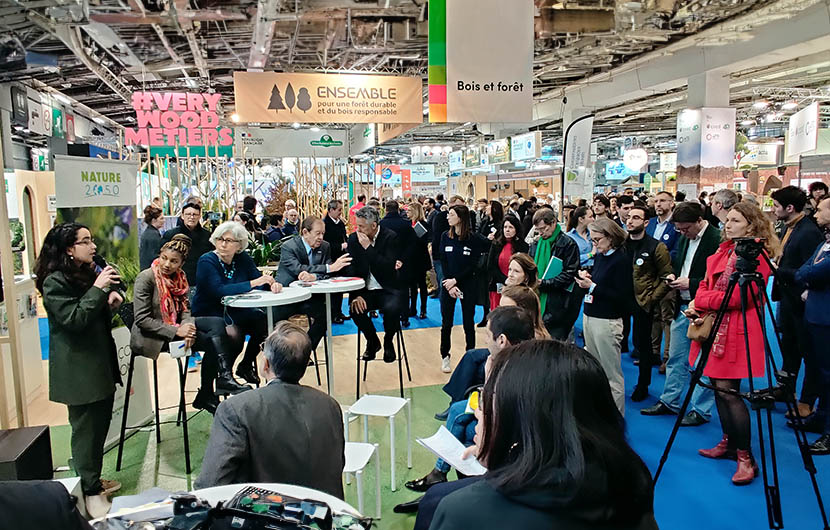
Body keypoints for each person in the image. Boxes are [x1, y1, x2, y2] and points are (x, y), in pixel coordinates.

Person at [428, 340, 658, 530]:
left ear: (521, 419)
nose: (478, 411)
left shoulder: (463, 513)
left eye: (488, 397)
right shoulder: (634, 481)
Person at [399, 306, 535, 516]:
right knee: (457, 416)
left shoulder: (511, 372)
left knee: (463, 440)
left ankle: (449, 479)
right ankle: (446, 476)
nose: (484, 341)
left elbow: (495, 416)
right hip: (512, 434)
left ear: (502, 340)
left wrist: (489, 379)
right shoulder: (528, 359)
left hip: (511, 440)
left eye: (487, 336)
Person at [35, 223, 125, 518]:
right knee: (86, 431)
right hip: (80, 370)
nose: (93, 246)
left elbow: (89, 314)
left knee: (97, 428)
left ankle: (92, 477)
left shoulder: (85, 273)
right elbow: (73, 319)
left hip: (98, 364)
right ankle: (90, 491)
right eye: (85, 241)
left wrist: (109, 300)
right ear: (69, 249)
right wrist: (98, 289)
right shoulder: (54, 282)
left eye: (92, 239)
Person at [195, 322, 345, 497]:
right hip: (325, 515)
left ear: (265, 364)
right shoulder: (330, 406)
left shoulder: (235, 410)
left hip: (267, 517)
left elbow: (210, 487)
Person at [691, 202, 779, 483]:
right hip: (714, 328)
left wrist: (702, 300)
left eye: (736, 221)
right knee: (718, 389)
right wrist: (704, 297)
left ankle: (745, 456)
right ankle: (729, 443)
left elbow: (740, 298)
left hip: (738, 330)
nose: (728, 225)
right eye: (727, 219)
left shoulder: (758, 258)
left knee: (730, 392)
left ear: (751, 226)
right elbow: (705, 283)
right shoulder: (721, 251)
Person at [131, 234, 249, 414]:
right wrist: (178, 331)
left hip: (176, 325)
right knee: (211, 341)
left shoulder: (180, 277)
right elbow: (142, 320)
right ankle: (208, 393)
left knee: (217, 323)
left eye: (173, 261)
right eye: (164, 258)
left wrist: (188, 327)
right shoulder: (146, 278)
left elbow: (185, 309)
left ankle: (223, 378)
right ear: (159, 255)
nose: (167, 264)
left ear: (181, 264)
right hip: (151, 335)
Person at [641, 201, 720, 425]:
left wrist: (691, 283)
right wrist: (672, 277)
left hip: (705, 308)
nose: (682, 233)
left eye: (685, 228)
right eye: (679, 229)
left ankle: (701, 410)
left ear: (699, 221)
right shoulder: (685, 237)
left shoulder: (716, 240)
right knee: (675, 356)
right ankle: (669, 401)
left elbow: (717, 281)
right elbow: (679, 263)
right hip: (682, 305)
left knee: (703, 363)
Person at [192, 221, 283, 385]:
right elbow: (218, 290)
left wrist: (271, 284)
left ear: (239, 244)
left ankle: (246, 364)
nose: (223, 244)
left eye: (228, 241)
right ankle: (223, 377)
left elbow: (258, 280)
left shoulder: (242, 258)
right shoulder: (207, 261)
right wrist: (254, 283)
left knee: (264, 322)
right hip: (211, 312)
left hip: (236, 310)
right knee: (234, 334)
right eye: (220, 239)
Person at [770, 186, 824, 418]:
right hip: (787, 298)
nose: (772, 210)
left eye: (776, 206)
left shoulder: (809, 232)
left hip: (802, 301)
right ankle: (786, 388)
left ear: (789, 208)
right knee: (789, 347)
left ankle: (806, 400)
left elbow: (810, 270)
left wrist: (779, 270)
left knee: (808, 352)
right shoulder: (791, 227)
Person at [575, 216, 632, 414]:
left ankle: (616, 418)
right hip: (590, 316)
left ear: (611, 237)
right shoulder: (600, 256)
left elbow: (623, 297)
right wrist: (588, 281)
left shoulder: (621, 260)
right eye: (593, 240)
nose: (594, 244)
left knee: (611, 374)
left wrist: (593, 286)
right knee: (593, 370)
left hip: (607, 321)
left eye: (597, 240)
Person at [274, 216, 352, 349]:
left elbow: (328, 273)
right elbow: (298, 269)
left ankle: (306, 349)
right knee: (269, 323)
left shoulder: (325, 246)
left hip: (310, 297)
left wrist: (315, 276)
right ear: (305, 232)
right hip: (287, 295)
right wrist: (329, 268)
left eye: (323, 233)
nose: (321, 237)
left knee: (327, 314)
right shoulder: (289, 247)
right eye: (317, 233)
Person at [625, 202, 672, 402]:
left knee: (643, 346)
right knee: (622, 343)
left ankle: (643, 385)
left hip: (643, 301)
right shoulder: (621, 244)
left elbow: (667, 277)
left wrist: (653, 298)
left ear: (646, 223)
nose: (630, 220)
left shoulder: (656, 247)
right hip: (620, 300)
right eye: (628, 216)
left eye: (636, 217)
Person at [347, 206, 405, 363]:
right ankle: (372, 340)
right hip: (364, 289)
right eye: (357, 225)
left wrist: (368, 248)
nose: (358, 230)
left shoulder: (390, 237)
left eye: (361, 226)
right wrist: (355, 294)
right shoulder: (353, 239)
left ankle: (388, 340)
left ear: (374, 225)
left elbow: (387, 267)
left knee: (392, 308)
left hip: (388, 288)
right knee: (355, 310)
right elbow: (351, 269)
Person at [795, 196, 830, 453]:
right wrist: (807, 275)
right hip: (815, 316)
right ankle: (821, 417)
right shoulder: (824, 242)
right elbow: (804, 270)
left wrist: (807, 275)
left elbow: (812, 272)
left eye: (820, 210)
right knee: (819, 372)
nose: (815, 213)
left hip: (826, 318)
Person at [439, 204, 485, 373]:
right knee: (446, 323)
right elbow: (442, 260)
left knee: (468, 322)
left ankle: (470, 356)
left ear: (460, 217)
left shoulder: (473, 239)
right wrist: (449, 282)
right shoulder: (445, 236)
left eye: (451, 214)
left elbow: (473, 265)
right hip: (448, 285)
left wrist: (456, 280)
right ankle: (445, 356)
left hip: (467, 284)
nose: (447, 217)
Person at [529, 207, 580, 339]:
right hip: (537, 299)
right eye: (538, 230)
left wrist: (544, 283)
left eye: (543, 228)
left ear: (553, 223)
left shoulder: (568, 244)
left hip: (559, 302)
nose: (540, 233)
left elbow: (570, 273)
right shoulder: (535, 244)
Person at [645, 191, 679, 373]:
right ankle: (653, 352)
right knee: (653, 315)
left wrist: (657, 260)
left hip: (668, 277)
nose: (658, 204)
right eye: (656, 201)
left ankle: (668, 357)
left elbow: (678, 250)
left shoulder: (676, 225)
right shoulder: (650, 224)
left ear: (672, 203)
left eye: (663, 201)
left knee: (668, 317)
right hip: (650, 278)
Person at [380, 200, 418, 328]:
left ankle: (389, 317)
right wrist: (403, 259)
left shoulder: (381, 224)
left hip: (387, 263)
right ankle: (405, 317)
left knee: (388, 291)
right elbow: (413, 244)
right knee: (404, 290)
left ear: (386, 210)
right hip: (404, 263)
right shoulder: (406, 224)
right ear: (398, 209)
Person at [161, 201, 214, 289]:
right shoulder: (170, 235)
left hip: (201, 281)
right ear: (182, 216)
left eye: (195, 214)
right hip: (177, 281)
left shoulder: (207, 236)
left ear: (199, 216)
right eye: (188, 214)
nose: (191, 217)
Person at [486, 214, 528, 309]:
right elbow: (490, 266)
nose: (507, 230)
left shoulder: (523, 246)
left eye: (510, 227)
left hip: (517, 287)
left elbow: (525, 267)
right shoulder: (496, 244)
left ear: (516, 229)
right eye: (505, 227)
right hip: (498, 286)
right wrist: (505, 280)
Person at [474, 200, 503, 326]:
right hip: (482, 258)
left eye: (490, 205)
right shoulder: (485, 222)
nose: (487, 207)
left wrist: (488, 239)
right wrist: (485, 239)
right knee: (483, 289)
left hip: (493, 258)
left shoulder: (499, 224)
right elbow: (478, 235)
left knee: (492, 289)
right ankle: (486, 315)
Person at [432, 195, 467, 297]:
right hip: (442, 256)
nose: (461, 210)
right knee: (444, 283)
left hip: (460, 258)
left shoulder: (468, 221)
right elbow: (437, 236)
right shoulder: (441, 220)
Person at [323, 200, 349, 323]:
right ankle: (333, 314)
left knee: (340, 287)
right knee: (333, 288)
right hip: (331, 260)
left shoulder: (340, 223)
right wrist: (340, 246)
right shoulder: (325, 224)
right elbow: (324, 244)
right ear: (331, 210)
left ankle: (339, 312)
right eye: (339, 210)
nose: (340, 212)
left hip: (341, 258)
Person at [408, 201, 432, 320]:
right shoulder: (408, 223)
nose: (407, 212)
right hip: (410, 258)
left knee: (422, 284)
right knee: (412, 285)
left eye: (409, 211)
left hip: (421, 258)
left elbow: (425, 240)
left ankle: (423, 309)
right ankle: (412, 308)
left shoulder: (424, 224)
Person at [139, 205, 164, 271]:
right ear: (154, 220)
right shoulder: (153, 235)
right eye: (161, 218)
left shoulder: (148, 232)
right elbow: (154, 256)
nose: (164, 220)